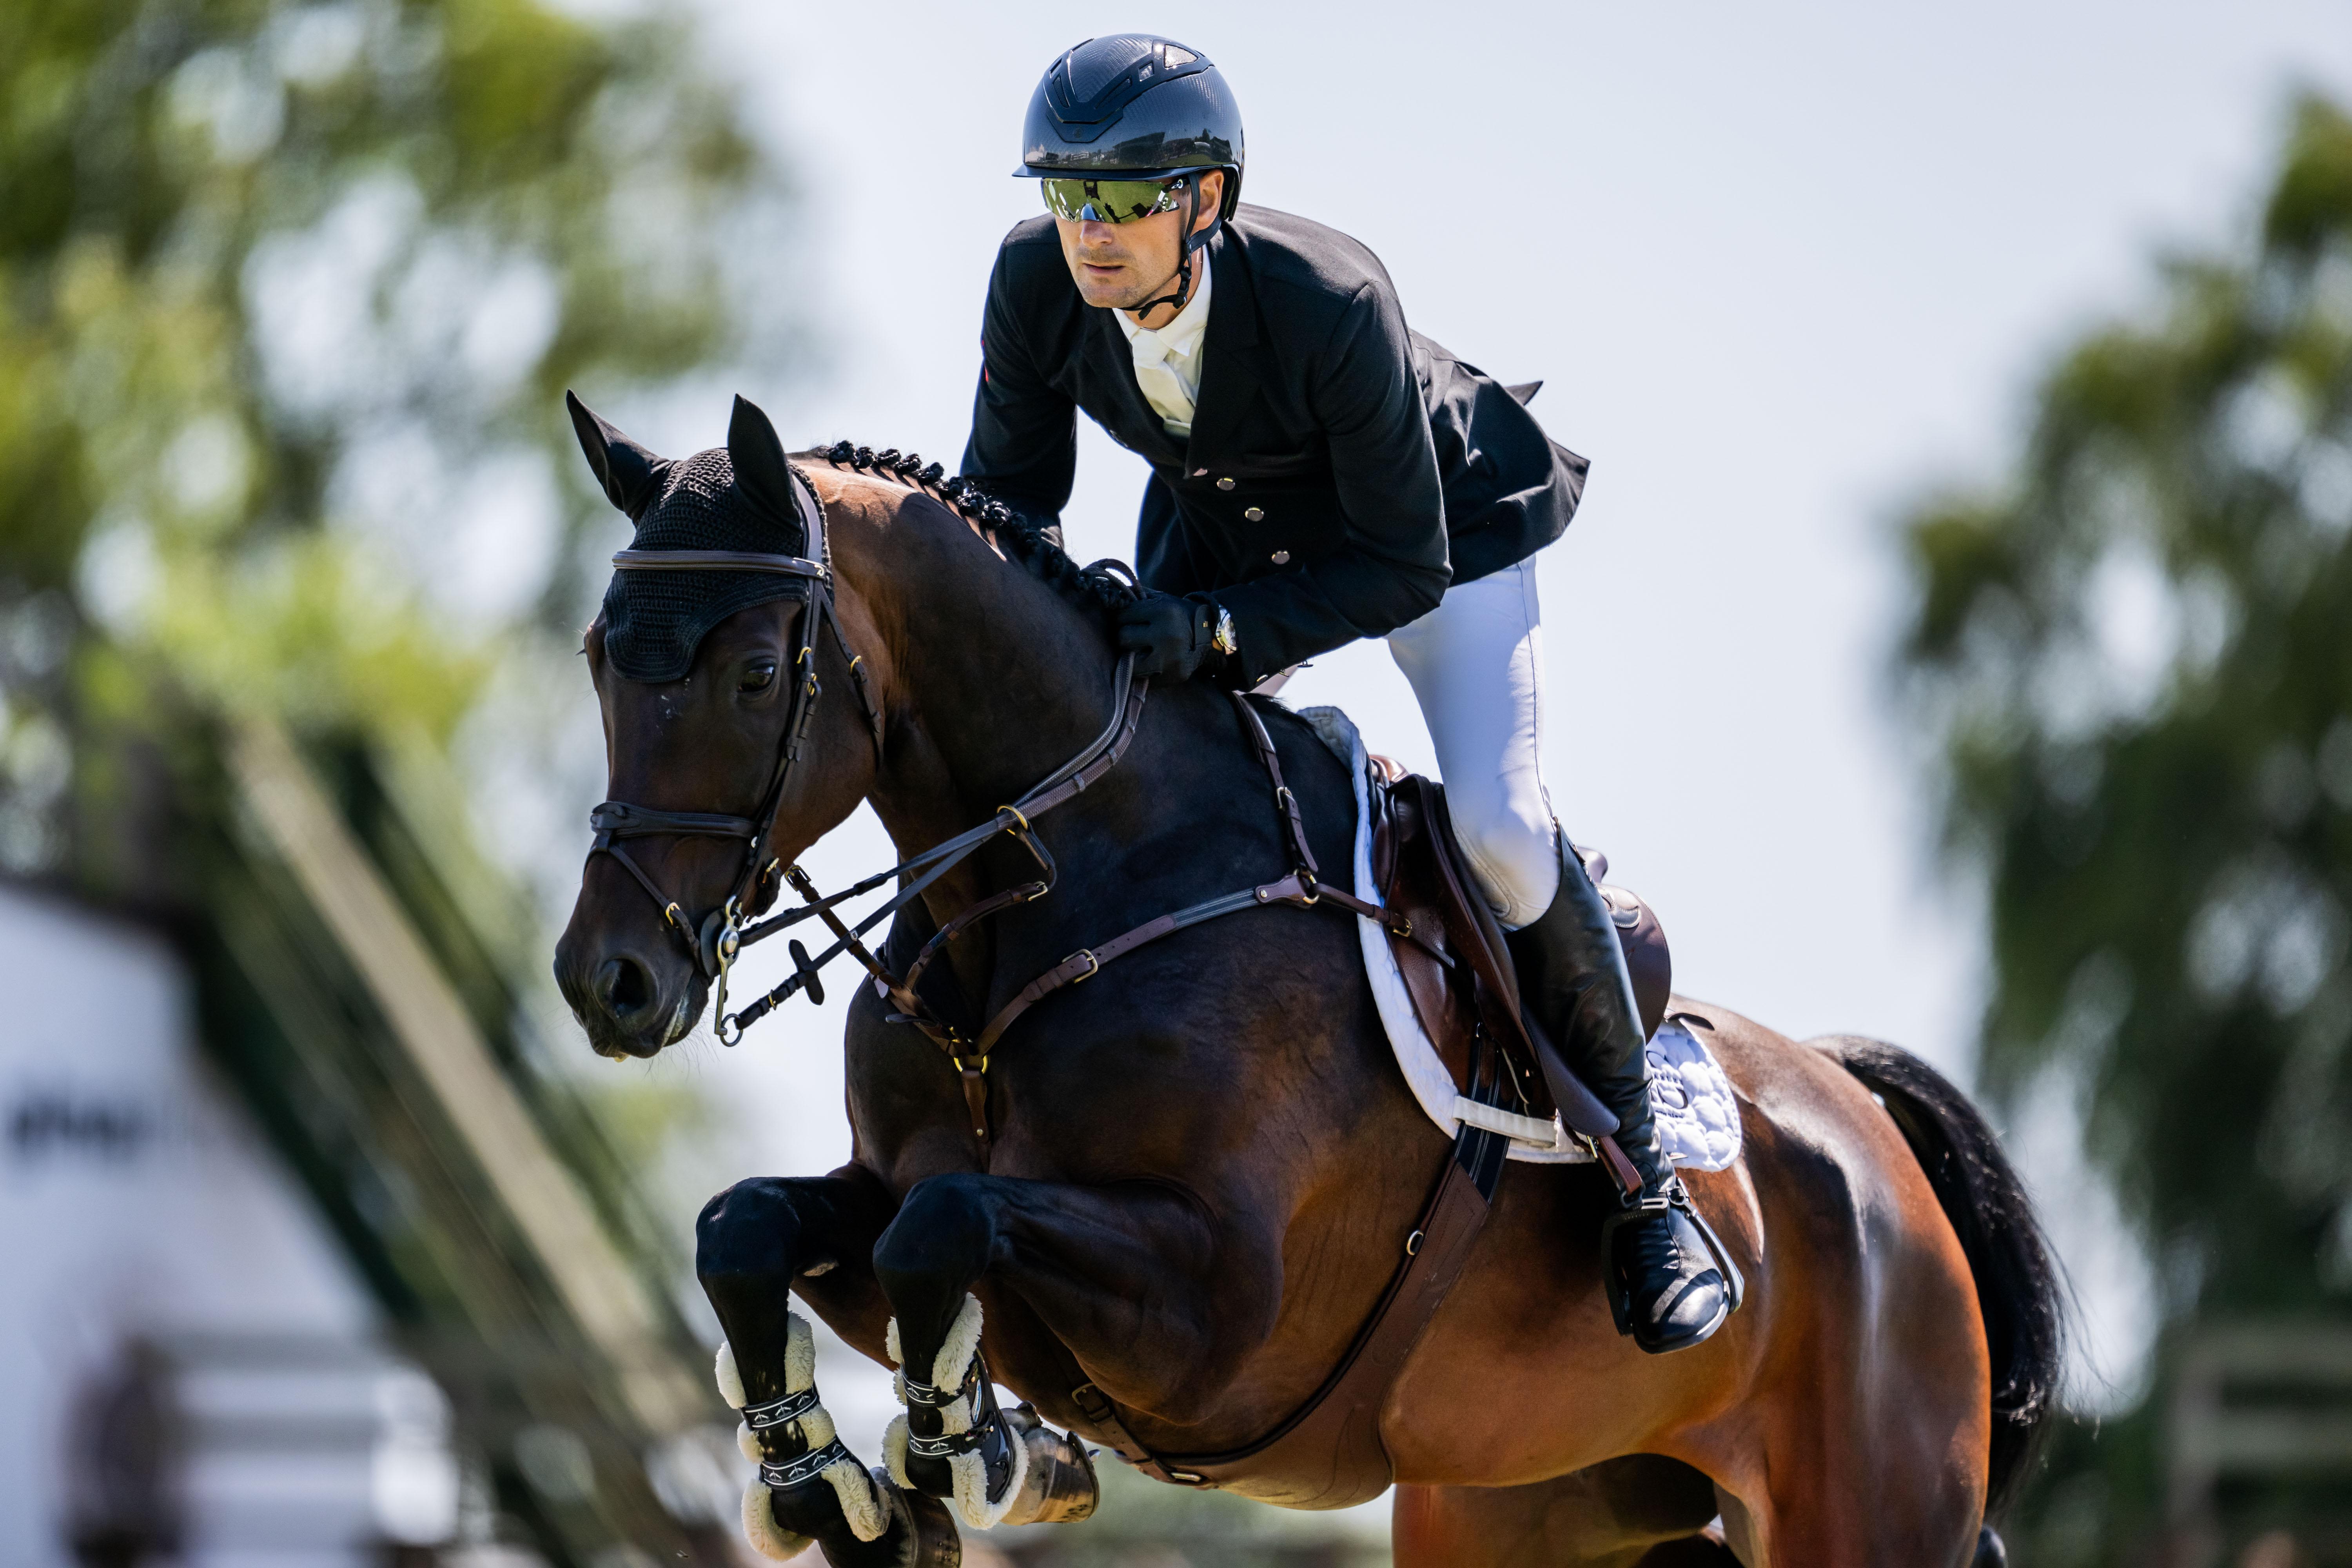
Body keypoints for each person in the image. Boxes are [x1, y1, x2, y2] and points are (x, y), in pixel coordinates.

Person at [960, 34, 1730, 1354]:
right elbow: (1010, 502)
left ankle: (1645, 1177)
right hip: (1231, 530)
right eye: (1066, 197)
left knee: (1496, 824)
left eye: (1126, 200)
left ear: (1205, 201)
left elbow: (1399, 560)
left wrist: (1215, 632)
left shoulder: (1330, 296)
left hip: (1438, 538)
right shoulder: (1039, 282)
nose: (1089, 234)